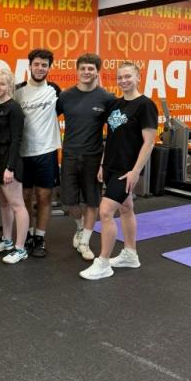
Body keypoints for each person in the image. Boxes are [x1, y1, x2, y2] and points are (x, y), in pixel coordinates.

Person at [80, 62, 158, 280]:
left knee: (105, 211)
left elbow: (149, 142)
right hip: (111, 167)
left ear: (138, 77)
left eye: (128, 76)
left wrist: (135, 171)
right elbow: (113, 137)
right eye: (120, 77)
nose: (123, 81)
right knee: (126, 208)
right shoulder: (116, 104)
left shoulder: (145, 105)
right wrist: (103, 164)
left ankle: (103, 262)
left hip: (126, 170)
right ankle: (130, 254)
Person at [56, 54, 115, 261]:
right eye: (83, 68)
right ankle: (80, 227)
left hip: (93, 157)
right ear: (77, 70)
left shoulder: (107, 98)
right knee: (70, 202)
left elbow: (115, 132)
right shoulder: (65, 96)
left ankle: (85, 241)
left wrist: (104, 163)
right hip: (70, 156)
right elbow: (46, 120)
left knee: (92, 201)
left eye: (91, 68)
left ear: (97, 71)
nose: (86, 72)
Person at [15, 49, 61, 258]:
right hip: (23, 153)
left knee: (44, 196)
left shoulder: (55, 90)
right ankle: (26, 234)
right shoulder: (18, 91)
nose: (40, 68)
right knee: (24, 196)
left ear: (49, 67)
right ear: (30, 66)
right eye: (37, 64)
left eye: (44, 65)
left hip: (46, 152)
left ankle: (40, 238)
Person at [0, 69, 29, 264]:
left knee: (17, 205)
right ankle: (7, 240)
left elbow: (16, 140)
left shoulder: (14, 108)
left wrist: (10, 167)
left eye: (2, 84)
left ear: (9, 86)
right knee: (3, 203)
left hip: (9, 160)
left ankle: (20, 249)